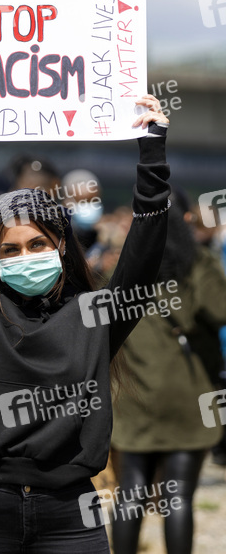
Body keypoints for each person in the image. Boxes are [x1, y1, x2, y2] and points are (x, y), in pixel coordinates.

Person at [0, 84, 170, 553]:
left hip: (72, 515)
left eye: (37, 244)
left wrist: (152, 149)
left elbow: (145, 251)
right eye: (10, 250)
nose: (24, 257)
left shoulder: (96, 315)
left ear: (61, 246)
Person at [110, 197, 226, 554]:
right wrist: (203, 257)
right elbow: (220, 309)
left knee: (130, 493)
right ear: (184, 219)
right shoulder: (196, 264)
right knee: (178, 498)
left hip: (132, 399)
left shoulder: (122, 266)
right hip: (187, 397)